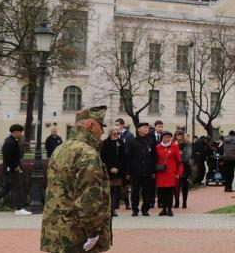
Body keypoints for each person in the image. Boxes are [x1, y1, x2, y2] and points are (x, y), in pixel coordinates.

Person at [40, 106, 111, 253]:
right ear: (91, 125)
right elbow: (88, 199)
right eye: (101, 126)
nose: (102, 132)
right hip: (78, 235)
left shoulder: (61, 148)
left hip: (56, 230)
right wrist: (93, 233)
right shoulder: (88, 154)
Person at [0, 124, 30, 216]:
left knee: (6, 188)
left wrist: (18, 165)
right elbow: (7, 157)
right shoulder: (10, 142)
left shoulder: (12, 141)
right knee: (17, 188)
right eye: (20, 132)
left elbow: (15, 156)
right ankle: (19, 209)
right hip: (11, 169)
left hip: (10, 169)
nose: (21, 134)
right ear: (15, 132)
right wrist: (15, 166)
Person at [127, 122, 156, 216]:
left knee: (147, 192)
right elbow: (129, 157)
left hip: (148, 171)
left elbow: (154, 157)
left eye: (147, 127)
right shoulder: (132, 141)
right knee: (135, 192)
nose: (146, 129)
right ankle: (135, 209)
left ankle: (145, 209)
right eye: (144, 127)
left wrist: (153, 170)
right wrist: (128, 172)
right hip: (135, 172)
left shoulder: (151, 141)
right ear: (139, 129)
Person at [100, 127, 126, 217]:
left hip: (118, 172)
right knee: (108, 192)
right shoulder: (105, 143)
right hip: (107, 171)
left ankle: (113, 209)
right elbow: (103, 157)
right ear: (110, 134)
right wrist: (110, 167)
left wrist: (118, 168)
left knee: (116, 192)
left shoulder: (121, 143)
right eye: (114, 134)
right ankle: (107, 209)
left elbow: (123, 158)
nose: (116, 136)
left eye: (118, 134)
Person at [174, 130, 192, 209]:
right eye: (178, 135)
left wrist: (180, 159)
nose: (179, 136)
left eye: (181, 135)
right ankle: (176, 201)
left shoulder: (187, 144)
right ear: (175, 136)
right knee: (175, 185)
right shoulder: (172, 143)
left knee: (184, 185)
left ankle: (184, 201)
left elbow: (188, 155)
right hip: (175, 167)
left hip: (184, 166)